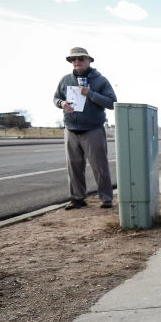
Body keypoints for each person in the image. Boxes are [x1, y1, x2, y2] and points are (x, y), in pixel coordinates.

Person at [53, 46, 117, 210]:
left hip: (92, 129)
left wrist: (90, 93)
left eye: (80, 58)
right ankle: (77, 198)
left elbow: (112, 103)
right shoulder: (66, 80)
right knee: (74, 166)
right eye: (73, 59)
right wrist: (62, 103)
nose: (77, 61)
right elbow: (56, 98)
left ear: (88, 60)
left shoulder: (100, 80)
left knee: (99, 166)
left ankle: (106, 198)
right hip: (71, 129)